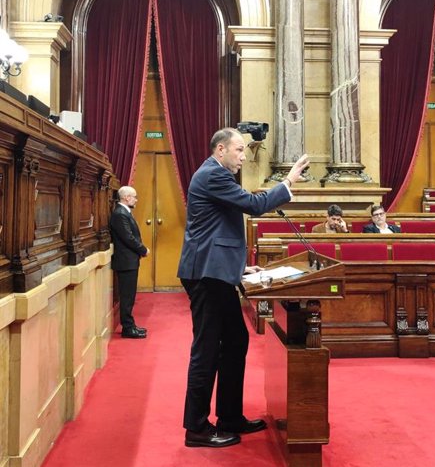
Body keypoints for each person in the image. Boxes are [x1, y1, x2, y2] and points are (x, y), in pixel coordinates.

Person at [177, 127, 309, 448]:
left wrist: (239, 268)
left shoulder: (217, 175)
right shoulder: (213, 175)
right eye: (238, 151)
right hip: (206, 275)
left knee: (236, 340)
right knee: (207, 349)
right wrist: (288, 181)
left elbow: (218, 230)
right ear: (220, 150)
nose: (243, 157)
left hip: (217, 271)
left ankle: (230, 416)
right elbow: (253, 204)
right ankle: (196, 427)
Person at [110, 185, 150, 339]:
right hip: (125, 262)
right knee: (127, 297)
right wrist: (143, 249)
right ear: (126, 198)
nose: (136, 199)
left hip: (129, 261)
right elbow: (128, 237)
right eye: (134, 197)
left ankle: (130, 325)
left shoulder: (124, 212)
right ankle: (128, 328)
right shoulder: (120, 214)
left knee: (130, 296)